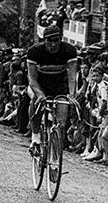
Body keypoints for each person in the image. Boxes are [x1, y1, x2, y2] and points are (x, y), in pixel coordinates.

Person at [25, 25, 78, 155]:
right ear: (44, 40)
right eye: (50, 41)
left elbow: (72, 77)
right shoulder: (34, 51)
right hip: (39, 85)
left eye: (56, 40)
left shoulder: (69, 50)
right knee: (36, 101)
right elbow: (32, 79)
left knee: (62, 119)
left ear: (61, 39)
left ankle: (56, 144)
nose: (53, 44)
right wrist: (40, 94)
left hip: (59, 86)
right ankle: (35, 136)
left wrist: (72, 95)